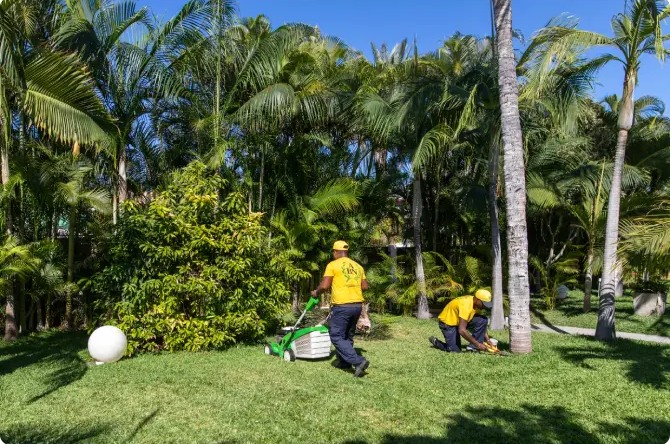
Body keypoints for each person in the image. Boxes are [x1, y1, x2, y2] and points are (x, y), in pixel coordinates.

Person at [312, 240, 370, 377]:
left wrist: (316, 292)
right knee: (347, 335)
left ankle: (358, 361)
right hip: (357, 306)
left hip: (342, 305)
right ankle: (344, 362)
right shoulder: (358, 266)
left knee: (336, 335)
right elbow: (365, 286)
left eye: (333, 252)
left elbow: (325, 286)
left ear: (336, 251)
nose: (333, 254)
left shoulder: (333, 265)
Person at [429, 289, 495, 353]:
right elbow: (462, 330)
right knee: (454, 351)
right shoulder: (465, 305)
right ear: (477, 299)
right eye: (484, 304)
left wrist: (488, 339)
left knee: (483, 320)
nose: (484, 307)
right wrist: (478, 344)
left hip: (460, 322)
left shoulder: (477, 305)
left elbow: (481, 325)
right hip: (448, 324)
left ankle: (473, 347)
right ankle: (436, 342)